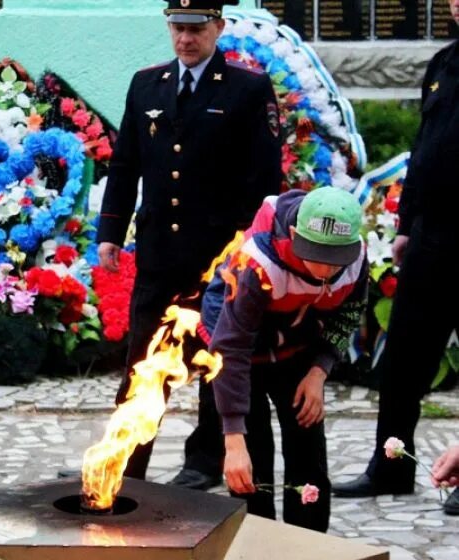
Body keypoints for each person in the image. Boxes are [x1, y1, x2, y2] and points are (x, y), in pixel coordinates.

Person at [96, 0, 282, 488]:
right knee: (142, 361)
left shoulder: (247, 89)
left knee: (212, 359)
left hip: (218, 258)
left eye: (196, 29)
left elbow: (265, 181)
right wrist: (110, 233)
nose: (185, 39)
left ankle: (204, 461)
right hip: (160, 254)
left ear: (218, 27)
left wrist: (249, 249)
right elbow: (124, 164)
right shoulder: (147, 85)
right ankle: (126, 462)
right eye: (177, 28)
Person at [332, 0, 459, 516]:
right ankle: (391, 465)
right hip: (432, 239)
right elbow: (425, 146)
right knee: (404, 358)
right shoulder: (443, 64)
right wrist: (405, 225)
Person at [204, 186, 368, 532]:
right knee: (252, 454)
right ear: (294, 235)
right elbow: (229, 350)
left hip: (298, 342)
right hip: (237, 343)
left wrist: (318, 372)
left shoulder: (355, 258)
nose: (325, 270)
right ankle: (257, 548)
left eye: (335, 257)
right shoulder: (256, 264)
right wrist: (233, 439)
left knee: (307, 445)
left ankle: (308, 545)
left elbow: (349, 311)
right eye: (317, 255)